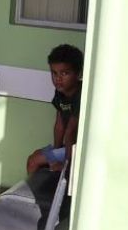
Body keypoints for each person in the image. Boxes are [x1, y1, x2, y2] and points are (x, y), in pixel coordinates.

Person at [26, 44, 84, 174]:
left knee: (34, 161)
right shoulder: (60, 91)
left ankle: (32, 193)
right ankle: (33, 192)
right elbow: (59, 125)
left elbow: (70, 132)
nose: (58, 78)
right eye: (54, 73)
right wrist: (54, 154)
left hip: (79, 150)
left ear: (78, 74)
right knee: (35, 155)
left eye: (65, 73)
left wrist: (66, 166)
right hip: (68, 147)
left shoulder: (81, 95)